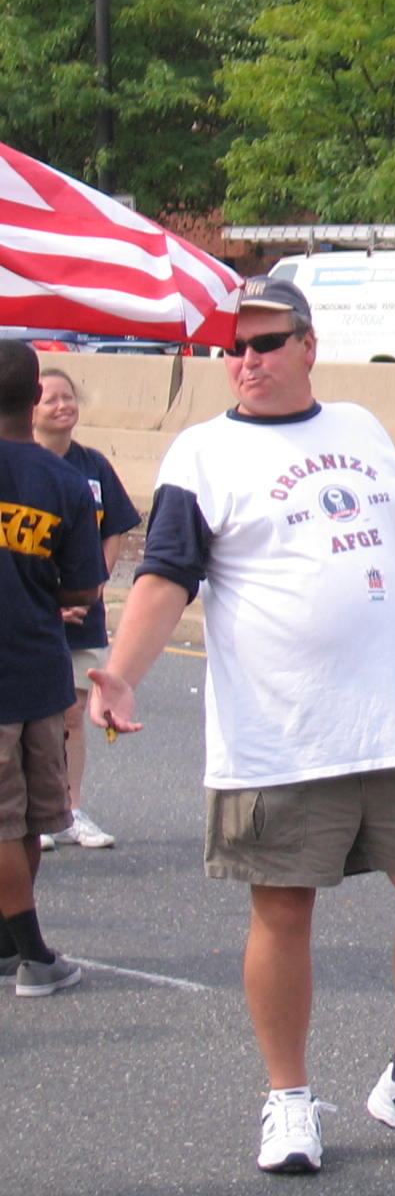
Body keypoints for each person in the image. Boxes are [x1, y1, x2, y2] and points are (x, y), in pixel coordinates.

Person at [89, 276, 395, 1175]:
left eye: (262, 343)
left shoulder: (361, 430)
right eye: (232, 348)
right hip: (278, 736)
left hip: (387, 730)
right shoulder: (201, 456)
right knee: (284, 911)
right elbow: (166, 577)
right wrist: (123, 677)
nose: (244, 361)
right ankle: (288, 1100)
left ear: (306, 345)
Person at [0, 342, 103, 997]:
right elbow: (84, 590)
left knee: (12, 820)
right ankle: (31, 951)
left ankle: (18, 949)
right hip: (37, 667)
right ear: (36, 398)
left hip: (27, 677)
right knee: (32, 817)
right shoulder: (66, 482)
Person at [32, 366, 141, 852]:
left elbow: (112, 529)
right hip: (31, 614)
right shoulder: (19, 466)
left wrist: (92, 586)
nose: (62, 406)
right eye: (50, 399)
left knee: (74, 713)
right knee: (30, 716)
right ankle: (32, 812)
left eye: (68, 397)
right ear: (28, 409)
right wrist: (47, 600)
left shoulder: (93, 466)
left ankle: (69, 810)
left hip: (82, 614)